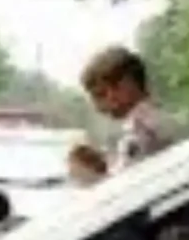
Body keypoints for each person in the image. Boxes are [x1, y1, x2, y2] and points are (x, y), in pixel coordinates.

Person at [72, 45, 181, 173]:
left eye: (100, 95)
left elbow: (128, 179)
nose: (98, 107)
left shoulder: (142, 128)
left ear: (123, 85)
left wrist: (91, 172)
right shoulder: (158, 117)